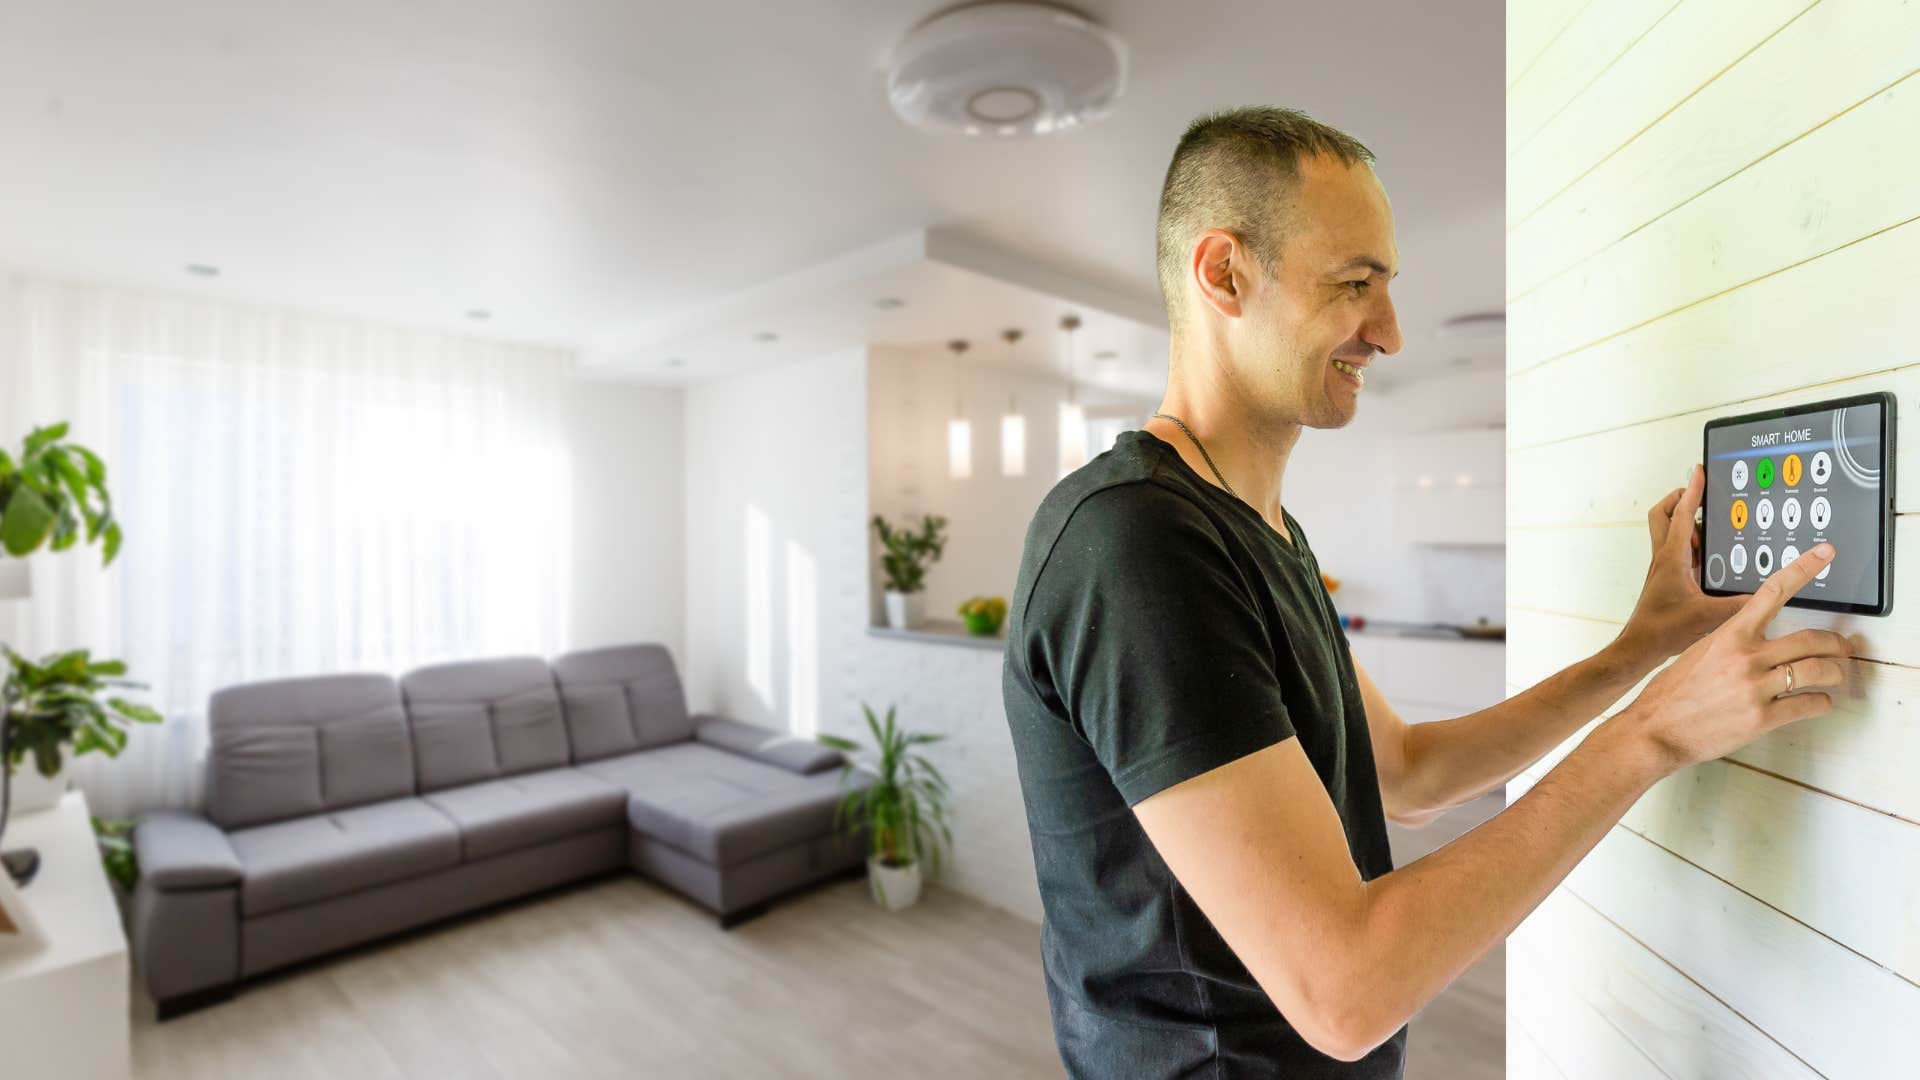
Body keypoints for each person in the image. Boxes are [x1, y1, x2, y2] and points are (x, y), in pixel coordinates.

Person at [1000, 106, 1853, 1078]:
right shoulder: (1135, 542)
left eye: (1387, 287)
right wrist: (1652, 729)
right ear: (1224, 273)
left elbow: (1405, 771)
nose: (1392, 333)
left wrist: (1636, 650)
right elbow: (1344, 989)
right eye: (1355, 284)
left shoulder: (1262, 532)